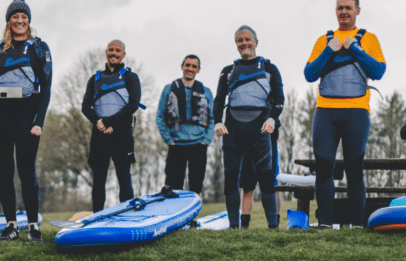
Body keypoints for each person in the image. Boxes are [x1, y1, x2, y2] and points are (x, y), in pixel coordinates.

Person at [303, 0, 386, 228]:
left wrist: (356, 49)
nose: (344, 12)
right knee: (323, 168)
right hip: (326, 112)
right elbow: (309, 74)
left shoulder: (369, 39)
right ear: (335, 10)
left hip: (356, 112)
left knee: (354, 169)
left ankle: (357, 226)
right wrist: (330, 49)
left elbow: (378, 72)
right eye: (340, 8)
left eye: (348, 8)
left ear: (357, 10)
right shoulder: (324, 40)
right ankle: (325, 224)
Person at [0, 0, 52, 243]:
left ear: (29, 21)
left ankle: (33, 226)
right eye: (15, 17)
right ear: (8, 21)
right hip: (0, 115)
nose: (19, 21)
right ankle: (11, 225)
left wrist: (38, 121)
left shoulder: (39, 48)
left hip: (26, 115)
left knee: (26, 170)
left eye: (24, 17)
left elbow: (47, 87)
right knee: (4, 172)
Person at [214, 27, 284, 229]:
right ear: (236, 44)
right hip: (233, 129)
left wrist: (272, 119)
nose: (243, 43)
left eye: (247, 39)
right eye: (239, 40)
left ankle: (273, 227)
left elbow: (279, 98)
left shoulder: (269, 69)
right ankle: (234, 227)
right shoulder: (228, 71)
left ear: (255, 42)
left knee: (266, 178)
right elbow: (219, 100)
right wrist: (218, 121)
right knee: (231, 177)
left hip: (260, 128)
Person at [82, 40, 142, 212]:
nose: (114, 53)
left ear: (123, 54)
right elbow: (85, 106)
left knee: (124, 178)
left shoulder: (131, 77)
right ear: (106, 52)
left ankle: (128, 217)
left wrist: (109, 122)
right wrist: (99, 122)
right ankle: (97, 219)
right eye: (111, 50)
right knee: (98, 180)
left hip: (122, 135)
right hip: (99, 135)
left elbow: (133, 105)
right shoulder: (94, 79)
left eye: (118, 50)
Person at [156, 55, 214, 198]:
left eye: (194, 66)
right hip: (176, 145)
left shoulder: (206, 91)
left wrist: (205, 141)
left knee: (196, 187)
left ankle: (194, 220)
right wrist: (169, 140)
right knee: (173, 188)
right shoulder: (168, 89)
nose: (190, 69)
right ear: (182, 66)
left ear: (198, 69)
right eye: (187, 65)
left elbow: (213, 119)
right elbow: (159, 117)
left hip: (198, 145)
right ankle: (176, 219)